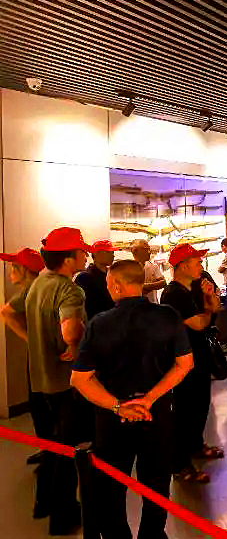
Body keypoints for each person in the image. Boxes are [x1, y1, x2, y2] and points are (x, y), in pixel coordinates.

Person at [70, 260, 194, 539]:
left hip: (113, 419)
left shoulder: (99, 324)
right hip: (156, 413)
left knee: (111, 486)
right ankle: (152, 535)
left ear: (116, 285)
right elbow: (185, 364)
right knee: (157, 484)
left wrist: (118, 406)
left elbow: (80, 379)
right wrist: (149, 399)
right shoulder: (168, 316)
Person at [22, 227, 90, 535]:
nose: (86, 255)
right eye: (82, 251)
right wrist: (75, 345)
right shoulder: (69, 289)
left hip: (40, 378)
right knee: (67, 449)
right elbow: (70, 330)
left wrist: (36, 341)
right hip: (65, 382)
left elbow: (9, 312)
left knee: (52, 443)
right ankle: (64, 516)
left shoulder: (39, 282)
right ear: (68, 258)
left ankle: (43, 502)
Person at [160, 243, 223, 484]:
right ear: (183, 266)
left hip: (198, 356)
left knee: (200, 405)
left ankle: (196, 445)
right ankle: (179, 463)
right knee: (185, 411)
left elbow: (215, 308)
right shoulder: (173, 294)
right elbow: (198, 324)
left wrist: (209, 297)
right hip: (182, 361)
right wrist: (207, 310)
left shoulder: (193, 288)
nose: (201, 265)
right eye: (197, 262)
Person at [0, 248, 50, 463]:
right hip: (44, 353)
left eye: (14, 267)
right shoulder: (39, 287)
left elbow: (6, 312)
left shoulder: (31, 289)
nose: (11, 272)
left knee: (41, 404)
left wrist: (29, 338)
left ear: (24, 270)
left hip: (42, 356)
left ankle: (51, 452)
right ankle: (50, 450)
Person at [74, 239, 117, 320]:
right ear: (96, 254)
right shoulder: (84, 278)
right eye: (108, 252)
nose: (112, 256)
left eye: (113, 253)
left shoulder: (113, 274)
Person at [131, 239, 166, 303]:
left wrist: (144, 286)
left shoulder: (153, 266)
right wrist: (153, 286)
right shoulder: (128, 268)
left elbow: (163, 283)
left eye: (149, 249)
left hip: (153, 305)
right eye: (145, 250)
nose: (149, 252)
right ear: (135, 251)